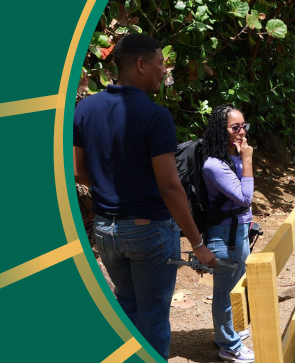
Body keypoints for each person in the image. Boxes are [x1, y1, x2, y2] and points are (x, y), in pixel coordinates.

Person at [73, 33, 216, 360]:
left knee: (126, 308)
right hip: (149, 229)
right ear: (140, 64)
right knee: (153, 318)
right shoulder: (155, 116)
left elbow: (78, 171)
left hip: (106, 231)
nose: (164, 71)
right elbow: (169, 186)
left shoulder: (86, 109)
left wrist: (112, 183)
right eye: (160, 63)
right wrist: (197, 243)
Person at [201, 104, 255, 363]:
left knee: (236, 284)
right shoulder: (213, 165)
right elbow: (245, 197)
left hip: (239, 231)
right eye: (235, 127)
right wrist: (247, 160)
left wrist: (241, 158)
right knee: (224, 292)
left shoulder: (232, 155)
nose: (242, 132)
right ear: (220, 131)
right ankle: (228, 346)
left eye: (244, 126)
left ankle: (232, 331)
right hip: (223, 236)